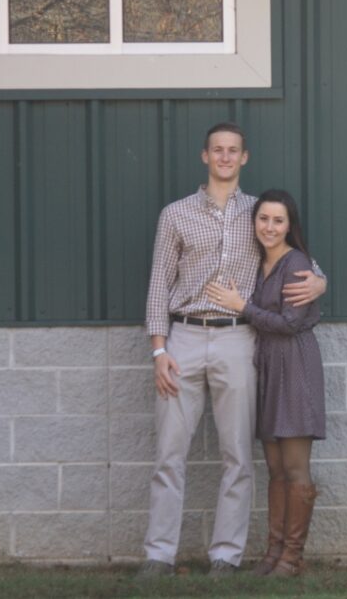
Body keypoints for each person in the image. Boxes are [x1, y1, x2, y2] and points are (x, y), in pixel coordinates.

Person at [140, 123, 326, 578]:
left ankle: (226, 555)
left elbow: (296, 253)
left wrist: (322, 280)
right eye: (217, 150)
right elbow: (159, 284)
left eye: (233, 151)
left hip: (239, 338)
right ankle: (158, 555)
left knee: (238, 454)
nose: (225, 157)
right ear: (205, 156)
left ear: (244, 158)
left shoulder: (257, 212)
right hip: (183, 337)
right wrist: (158, 351)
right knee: (169, 453)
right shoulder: (176, 214)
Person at [205, 188, 325, 577]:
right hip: (268, 367)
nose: (269, 227)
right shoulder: (257, 263)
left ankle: (292, 557)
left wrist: (243, 308)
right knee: (274, 467)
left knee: (294, 467)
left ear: (290, 226)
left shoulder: (298, 264)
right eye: (263, 219)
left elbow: (290, 323)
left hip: (295, 367)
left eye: (278, 220)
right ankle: (273, 554)